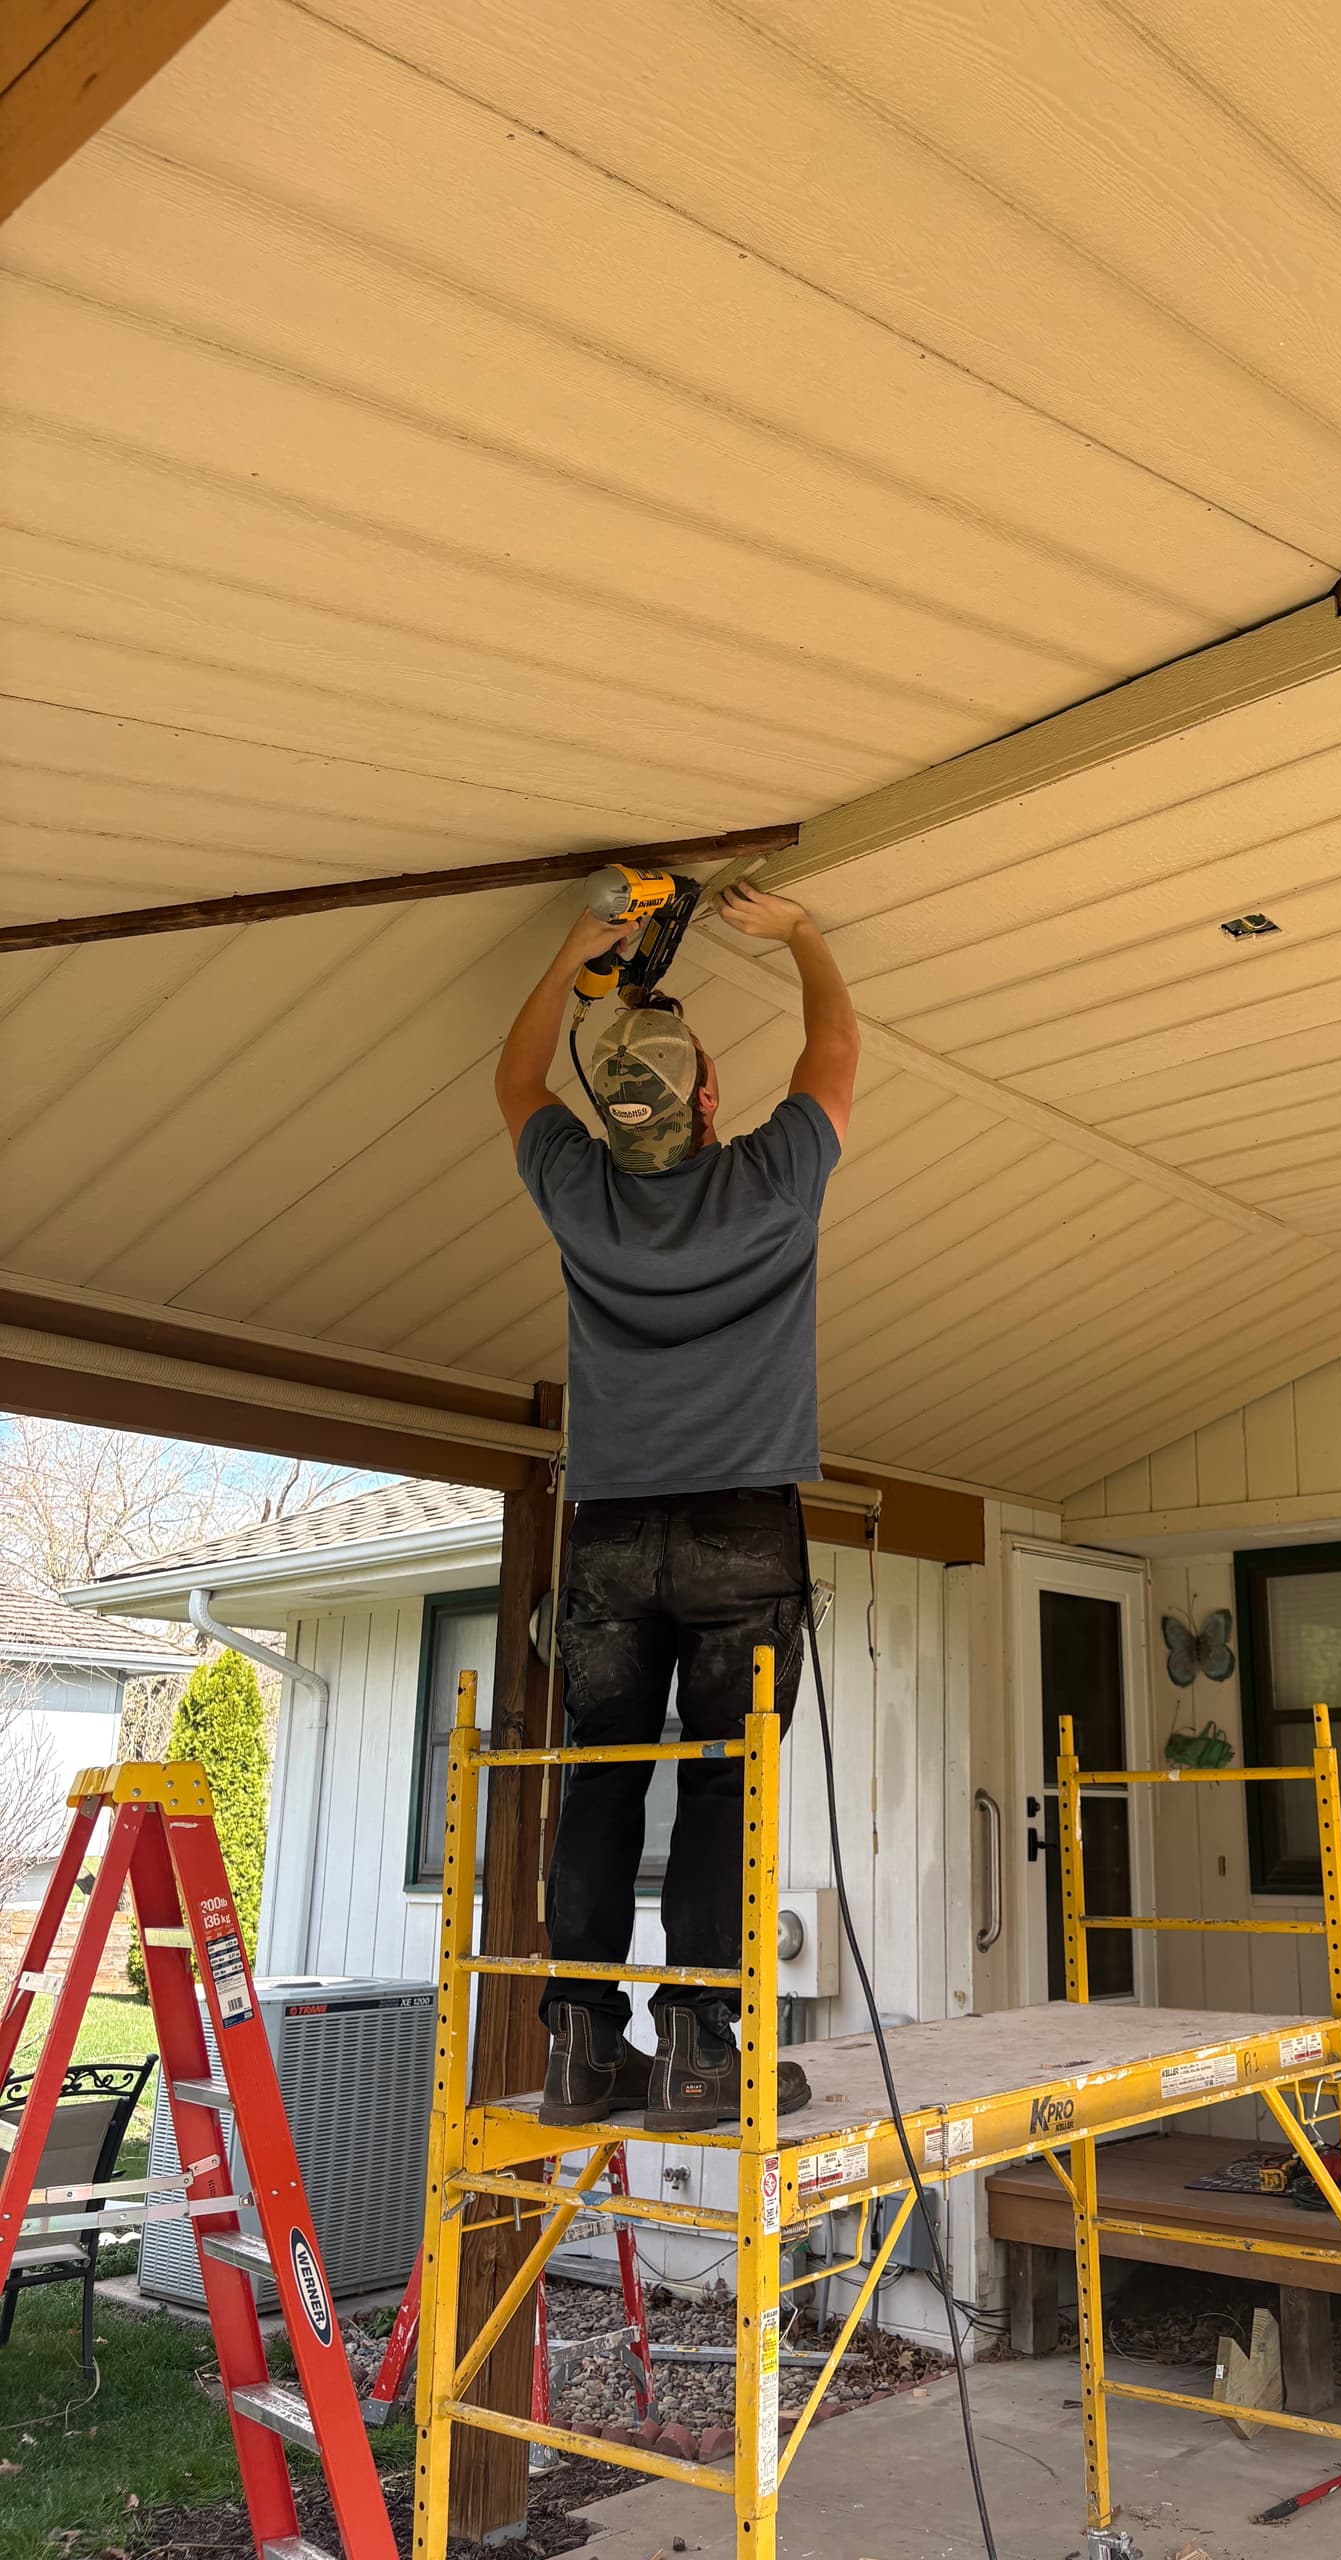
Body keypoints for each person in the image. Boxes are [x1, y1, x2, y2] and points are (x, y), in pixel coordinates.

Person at [494, 881, 858, 2130]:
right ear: (708, 1099)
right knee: (720, 1784)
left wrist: (567, 956)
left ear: (610, 1119)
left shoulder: (580, 1193)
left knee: (600, 1775)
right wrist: (802, 933)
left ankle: (583, 2051)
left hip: (606, 1533)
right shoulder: (771, 1181)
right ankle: (703, 2051)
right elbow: (837, 1050)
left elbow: (515, 1081)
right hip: (738, 1534)